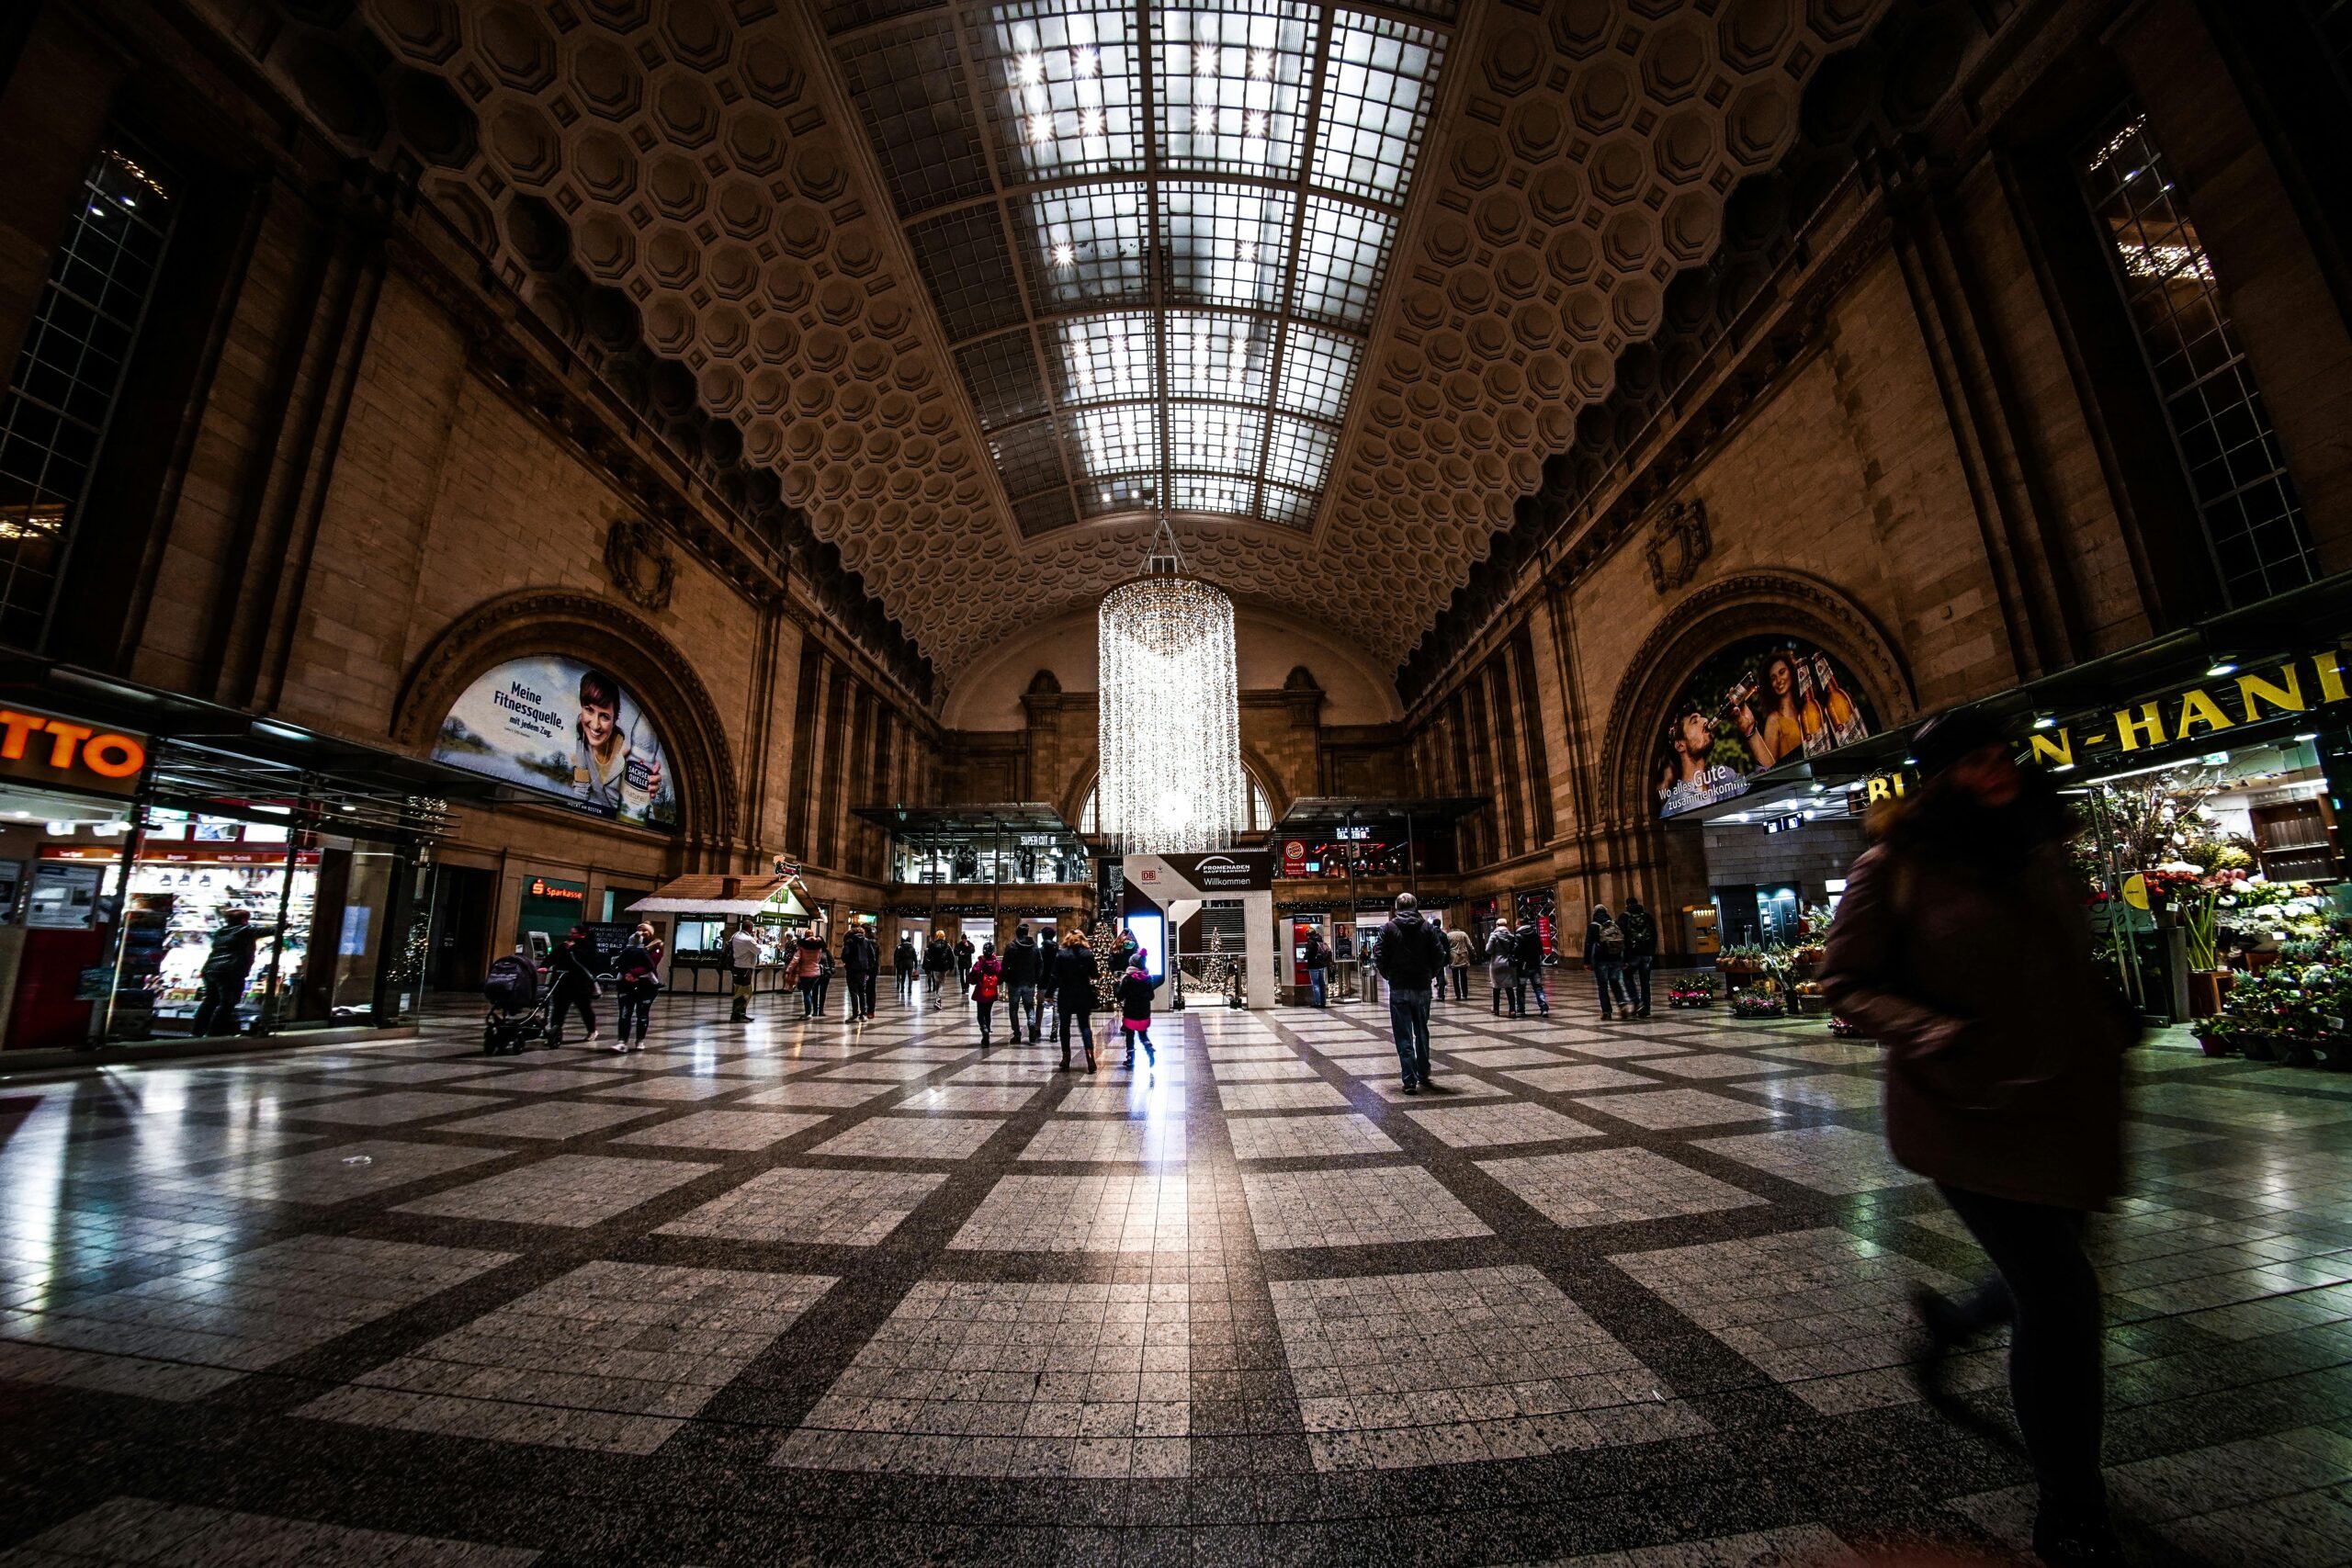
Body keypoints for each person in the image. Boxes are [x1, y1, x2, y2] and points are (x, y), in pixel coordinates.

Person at [1819, 709, 2132, 1568]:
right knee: (2065, 1298)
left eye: (2004, 754)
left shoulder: (2041, 849)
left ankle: (1956, 1325)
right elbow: (1844, 978)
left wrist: (2104, 1012)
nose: (1998, 770)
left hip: (2067, 1102)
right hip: (1964, 1111)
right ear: (1940, 777)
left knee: (2053, 1270)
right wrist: (1932, 1031)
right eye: (1975, 761)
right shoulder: (1895, 867)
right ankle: (2073, 1506)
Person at [1376, 893, 1449, 1094]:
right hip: (1422, 986)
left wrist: (1389, 975)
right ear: (1415, 907)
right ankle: (1423, 1071)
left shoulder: (1388, 928)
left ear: (1396, 907)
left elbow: (1379, 955)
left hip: (1399, 986)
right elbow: (1439, 955)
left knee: (1403, 1033)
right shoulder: (1427, 928)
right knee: (1422, 1029)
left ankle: (1409, 1079)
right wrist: (1430, 975)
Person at [193, 908, 273, 1037]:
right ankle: (214, 1033)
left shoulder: (221, 932)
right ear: (243, 920)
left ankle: (197, 1032)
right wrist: (285, 925)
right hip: (229, 971)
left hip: (211, 969)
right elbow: (268, 930)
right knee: (227, 1002)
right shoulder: (244, 930)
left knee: (210, 1001)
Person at [1051, 929, 1099, 1072]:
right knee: (1085, 1026)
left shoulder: (1061, 954)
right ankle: (1090, 1057)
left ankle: (1066, 1057)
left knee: (1064, 1027)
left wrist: (1049, 993)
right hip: (1083, 994)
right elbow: (1095, 974)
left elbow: (1055, 976)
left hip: (1065, 995)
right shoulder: (1088, 954)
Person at [545, 924, 600, 1046]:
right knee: (558, 1010)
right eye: (571, 933)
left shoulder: (588, 946)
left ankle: (592, 1030)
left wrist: (573, 949)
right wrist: (545, 966)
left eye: (574, 933)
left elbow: (589, 960)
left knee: (584, 1009)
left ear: (583, 935)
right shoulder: (565, 945)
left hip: (580, 985)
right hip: (562, 983)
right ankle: (555, 1032)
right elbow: (553, 956)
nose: (571, 935)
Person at [612, 930, 661, 1053]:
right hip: (635, 985)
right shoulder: (641, 951)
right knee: (631, 1013)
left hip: (641, 986)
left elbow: (618, 964)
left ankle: (633, 1040)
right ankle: (628, 1041)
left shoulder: (630, 951)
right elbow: (650, 967)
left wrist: (629, 973)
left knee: (633, 1014)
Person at [1583, 904, 1629, 1020]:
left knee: (1602, 986)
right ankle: (1622, 1003)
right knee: (1615, 982)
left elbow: (1588, 944)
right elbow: (1624, 941)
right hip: (1616, 958)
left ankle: (1607, 1012)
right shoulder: (1614, 924)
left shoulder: (1593, 926)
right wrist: (1625, 960)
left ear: (1595, 913)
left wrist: (1587, 961)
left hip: (1601, 960)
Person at [1002, 923, 1044, 1043]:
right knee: (1029, 1006)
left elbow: (1005, 965)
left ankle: (1017, 1034)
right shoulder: (1034, 946)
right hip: (1029, 982)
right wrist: (1036, 978)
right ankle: (1031, 1024)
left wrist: (1007, 978)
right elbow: (1040, 964)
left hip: (1014, 982)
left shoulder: (1011, 946)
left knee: (1013, 1009)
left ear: (1017, 933)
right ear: (1027, 933)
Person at [1116, 953, 1156, 1068]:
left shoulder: (1127, 979)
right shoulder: (1148, 979)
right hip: (1144, 1014)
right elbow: (1151, 997)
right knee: (1143, 1035)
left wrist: (1117, 987)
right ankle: (1149, 1048)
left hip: (1130, 1013)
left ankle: (1130, 1058)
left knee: (1130, 1036)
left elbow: (1120, 996)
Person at [1619, 896, 1657, 1018]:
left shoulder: (1624, 917)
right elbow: (1654, 934)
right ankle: (1646, 1009)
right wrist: (1651, 951)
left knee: (1627, 976)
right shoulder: (1647, 916)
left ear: (1627, 905)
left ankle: (1636, 1001)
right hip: (1647, 954)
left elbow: (1621, 938)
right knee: (1645, 982)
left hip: (1632, 955)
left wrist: (1623, 958)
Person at [970, 941, 1004, 1047]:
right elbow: (1000, 976)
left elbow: (973, 974)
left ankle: (984, 1029)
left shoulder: (980, 962)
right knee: (988, 1013)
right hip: (991, 991)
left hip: (981, 991)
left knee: (980, 1014)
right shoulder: (996, 964)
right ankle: (988, 1031)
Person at [1514, 919, 1551, 1017]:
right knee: (1538, 988)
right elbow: (1540, 950)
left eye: (1516, 924)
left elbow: (1516, 951)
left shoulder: (1518, 936)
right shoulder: (1535, 935)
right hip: (1535, 965)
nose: (1515, 926)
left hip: (1523, 967)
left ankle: (1521, 1010)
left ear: (1520, 924)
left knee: (1521, 989)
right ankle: (1544, 1008)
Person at [842, 923, 878, 1021]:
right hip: (863, 970)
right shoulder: (867, 941)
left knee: (853, 992)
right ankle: (863, 1014)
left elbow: (845, 955)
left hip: (852, 970)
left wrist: (848, 964)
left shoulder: (849, 941)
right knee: (863, 992)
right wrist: (868, 967)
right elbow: (872, 957)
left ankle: (854, 1014)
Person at [728, 919, 761, 1023]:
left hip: (736, 966)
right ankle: (736, 1015)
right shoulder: (747, 939)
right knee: (744, 991)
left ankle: (741, 1013)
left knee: (739, 990)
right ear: (750, 928)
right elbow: (759, 950)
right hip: (745, 968)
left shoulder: (736, 935)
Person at [1487, 919, 1521, 1016]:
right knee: (1509, 988)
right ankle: (1512, 1010)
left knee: (1496, 988)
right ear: (1506, 925)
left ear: (1497, 925)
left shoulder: (1493, 936)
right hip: (1508, 964)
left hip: (1496, 965)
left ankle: (1496, 1009)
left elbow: (1488, 950)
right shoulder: (1511, 936)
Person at [791, 929, 825, 1018]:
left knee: (806, 993)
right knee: (809, 992)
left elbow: (796, 959)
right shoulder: (818, 946)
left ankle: (808, 1013)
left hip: (806, 972)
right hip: (816, 972)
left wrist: (789, 969)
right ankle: (810, 1011)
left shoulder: (802, 946)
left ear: (805, 936)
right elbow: (819, 959)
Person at [1444, 920, 1474, 1002]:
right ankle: (1465, 994)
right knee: (1464, 976)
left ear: (1450, 928)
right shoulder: (1463, 934)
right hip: (1463, 957)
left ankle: (1458, 995)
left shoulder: (1448, 935)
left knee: (1455, 977)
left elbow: (1447, 947)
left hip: (1453, 957)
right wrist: (1473, 953)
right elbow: (1469, 945)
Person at [1303, 929, 1331, 1007]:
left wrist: (1305, 957)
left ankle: (1317, 1002)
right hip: (1321, 965)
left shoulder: (1311, 942)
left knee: (1315, 984)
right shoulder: (1320, 939)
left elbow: (1309, 953)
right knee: (1322, 984)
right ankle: (1323, 1002)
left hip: (1313, 965)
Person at [922, 933, 954, 1000]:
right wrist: (951, 967)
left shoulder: (932, 945)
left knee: (937, 982)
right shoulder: (947, 945)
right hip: (944, 967)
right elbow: (952, 957)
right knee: (941, 983)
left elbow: (929, 956)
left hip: (935, 967)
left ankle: (937, 998)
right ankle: (938, 998)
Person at [892, 932, 918, 1004]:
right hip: (910, 964)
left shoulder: (901, 948)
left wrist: (897, 964)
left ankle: (902, 989)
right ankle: (909, 989)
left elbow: (898, 957)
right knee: (910, 977)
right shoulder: (912, 948)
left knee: (903, 977)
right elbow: (915, 958)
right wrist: (916, 966)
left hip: (902, 964)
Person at [953, 932, 976, 997]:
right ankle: (963, 988)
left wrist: (968, 946)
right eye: (962, 939)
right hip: (961, 963)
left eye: (964, 939)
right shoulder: (959, 945)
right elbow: (955, 951)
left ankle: (967, 987)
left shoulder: (969, 944)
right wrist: (959, 953)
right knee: (962, 977)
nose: (963, 941)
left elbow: (973, 950)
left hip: (967, 962)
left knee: (967, 975)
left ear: (966, 939)